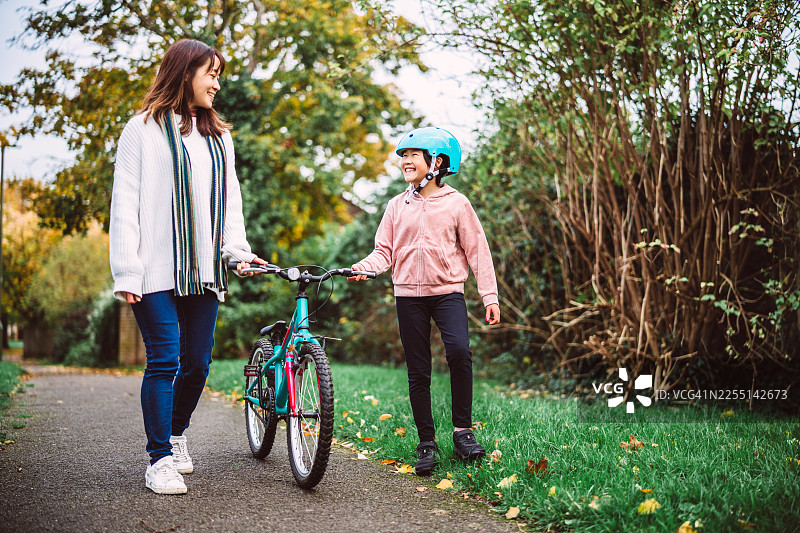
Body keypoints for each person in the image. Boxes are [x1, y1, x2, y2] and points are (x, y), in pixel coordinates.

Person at [109, 39, 266, 495]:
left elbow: (229, 201)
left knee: (196, 364)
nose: (217, 83)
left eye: (218, 74)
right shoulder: (140, 130)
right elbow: (126, 204)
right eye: (210, 73)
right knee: (165, 359)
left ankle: (176, 435)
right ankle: (158, 459)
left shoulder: (218, 138)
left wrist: (237, 252)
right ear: (184, 73)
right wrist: (126, 270)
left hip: (202, 269)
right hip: (154, 268)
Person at [350, 126, 501, 476]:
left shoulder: (457, 204)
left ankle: (463, 434)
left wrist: (489, 295)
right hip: (408, 297)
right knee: (419, 371)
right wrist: (365, 269)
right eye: (402, 156)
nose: (405, 161)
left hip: (448, 293)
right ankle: (426, 443)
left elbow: (478, 250)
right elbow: (383, 251)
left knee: (460, 352)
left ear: (436, 162)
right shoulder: (395, 205)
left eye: (412, 155)